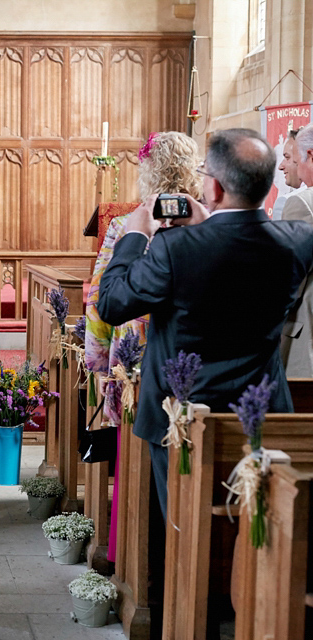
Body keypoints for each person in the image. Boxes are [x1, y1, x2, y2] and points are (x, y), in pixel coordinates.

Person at [96, 128, 313, 520]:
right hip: (259, 415)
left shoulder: (173, 248)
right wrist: (212, 218)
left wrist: (133, 236)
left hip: (181, 419)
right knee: (255, 531)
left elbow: (111, 304)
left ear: (211, 187)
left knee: (184, 529)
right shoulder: (297, 240)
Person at [85, 130, 201, 558]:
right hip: (188, 358)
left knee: (135, 454)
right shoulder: (207, 224)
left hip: (133, 355)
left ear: (149, 170)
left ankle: (129, 555)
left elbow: (100, 300)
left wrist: (97, 367)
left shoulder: (128, 224)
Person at [280, 126, 313, 376]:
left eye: (292, 158)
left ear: (309, 155)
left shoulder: (301, 203)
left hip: (307, 336)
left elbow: (288, 281)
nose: (284, 165)